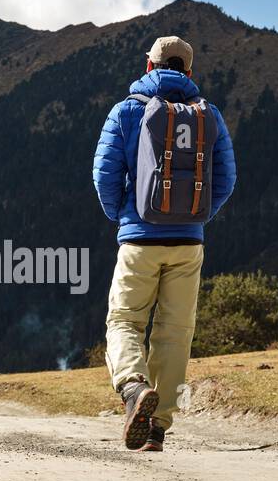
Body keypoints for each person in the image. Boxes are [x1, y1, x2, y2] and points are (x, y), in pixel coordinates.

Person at [91, 35, 236, 451]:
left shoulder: (126, 112)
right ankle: (156, 428)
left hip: (139, 238)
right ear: (189, 73)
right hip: (188, 243)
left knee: (124, 321)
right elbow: (225, 179)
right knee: (175, 332)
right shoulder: (210, 116)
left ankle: (134, 388)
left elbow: (104, 175)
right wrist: (197, 217)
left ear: (149, 66)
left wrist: (124, 215)